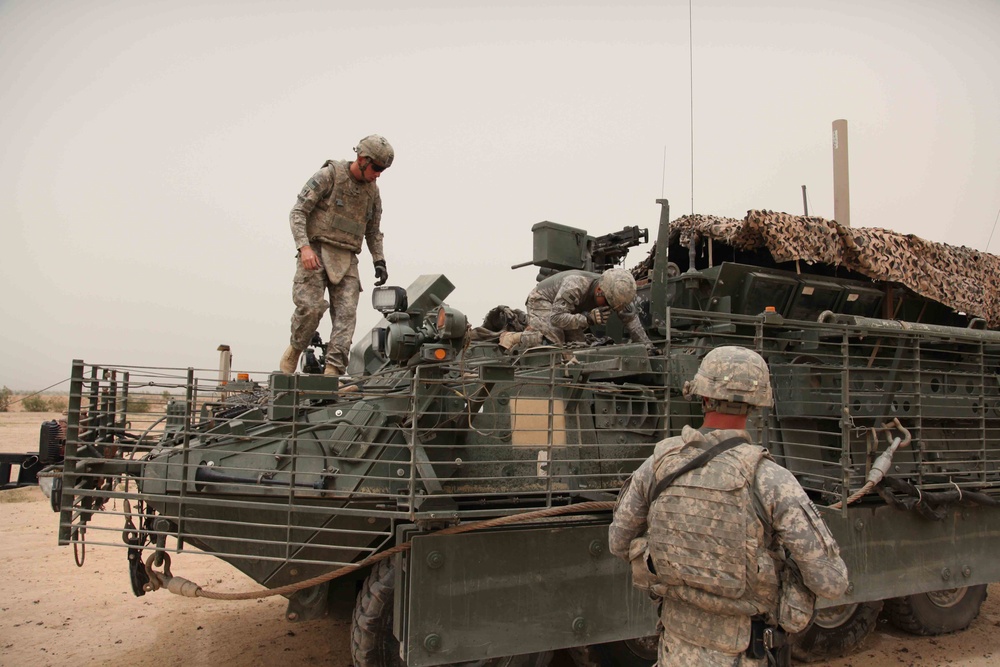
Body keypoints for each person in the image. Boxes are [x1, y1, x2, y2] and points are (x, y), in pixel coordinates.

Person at [609, 346, 849, 666]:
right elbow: (831, 582)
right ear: (755, 405)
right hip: (742, 651)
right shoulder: (771, 480)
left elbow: (618, 543)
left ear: (703, 397)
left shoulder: (656, 466)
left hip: (674, 646)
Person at [279, 135, 394, 376]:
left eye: (382, 170)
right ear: (362, 159)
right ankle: (295, 349)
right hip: (316, 251)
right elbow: (298, 212)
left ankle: (333, 370)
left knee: (346, 316)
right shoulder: (329, 176)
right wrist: (304, 247)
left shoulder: (372, 193)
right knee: (310, 309)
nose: (378, 174)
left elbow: (373, 231)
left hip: (347, 257)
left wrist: (379, 260)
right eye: (376, 168)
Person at [521, 267, 651, 347]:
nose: (607, 308)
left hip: (570, 309)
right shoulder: (575, 285)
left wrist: (648, 347)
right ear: (600, 290)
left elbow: (632, 322)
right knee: (555, 342)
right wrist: (587, 319)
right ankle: (516, 338)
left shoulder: (616, 294)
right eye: (606, 304)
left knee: (578, 347)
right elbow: (556, 318)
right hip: (542, 300)